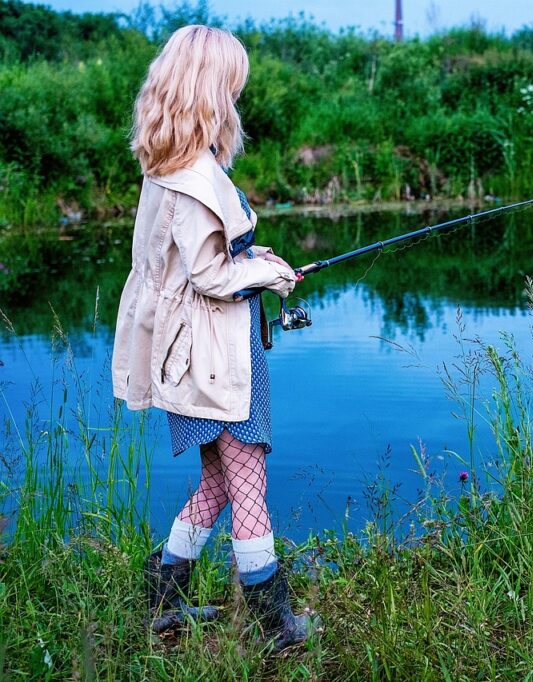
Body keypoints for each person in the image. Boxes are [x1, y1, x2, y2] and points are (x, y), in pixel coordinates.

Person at [111, 24, 315, 651]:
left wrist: (256, 260)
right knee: (247, 475)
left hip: (184, 351)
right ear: (210, 89)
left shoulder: (164, 165)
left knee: (219, 481)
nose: (236, 96)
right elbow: (208, 275)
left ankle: (163, 598)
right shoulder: (196, 176)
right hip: (213, 353)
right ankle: (272, 622)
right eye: (232, 84)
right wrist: (268, 278)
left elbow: (196, 260)